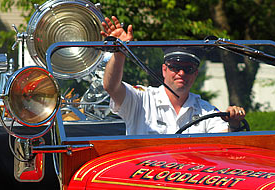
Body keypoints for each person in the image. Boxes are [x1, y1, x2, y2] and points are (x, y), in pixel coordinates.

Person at [100, 16, 246, 135]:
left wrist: (233, 123)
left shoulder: (206, 111)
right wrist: (119, 53)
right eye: (175, 67)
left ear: (195, 74)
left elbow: (224, 142)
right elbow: (111, 87)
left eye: (188, 69)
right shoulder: (141, 99)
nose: (181, 73)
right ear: (164, 70)